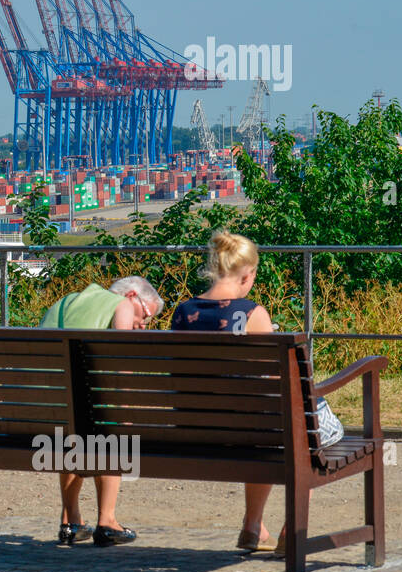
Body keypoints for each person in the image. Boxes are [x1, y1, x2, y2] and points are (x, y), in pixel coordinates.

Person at [170, 230, 343, 555]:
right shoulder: (253, 314)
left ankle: (253, 526)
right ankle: (291, 531)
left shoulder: (182, 313)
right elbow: (277, 381)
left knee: (261, 430)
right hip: (251, 429)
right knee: (305, 430)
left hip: (197, 431)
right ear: (247, 275)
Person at [38, 276, 164, 547]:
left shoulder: (65, 302)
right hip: (85, 420)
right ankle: (106, 521)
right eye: (147, 314)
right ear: (132, 295)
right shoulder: (122, 305)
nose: (142, 325)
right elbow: (120, 365)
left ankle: (71, 520)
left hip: (45, 414)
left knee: (72, 429)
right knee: (112, 426)